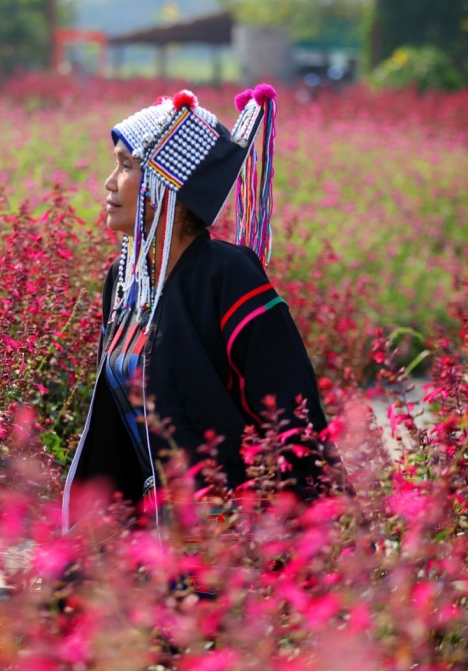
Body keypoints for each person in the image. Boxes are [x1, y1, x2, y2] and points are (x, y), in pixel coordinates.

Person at [62, 86, 339, 532]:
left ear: (165, 184)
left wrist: (308, 539)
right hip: (149, 528)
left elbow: (290, 412)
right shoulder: (125, 280)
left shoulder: (229, 277)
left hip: (232, 532)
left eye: (128, 166)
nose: (110, 183)